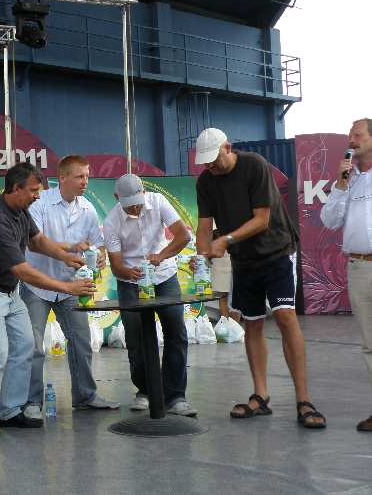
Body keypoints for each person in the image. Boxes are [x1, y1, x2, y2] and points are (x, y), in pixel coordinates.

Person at [194, 127, 326, 428]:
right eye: (205, 162)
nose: (211, 166)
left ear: (228, 148)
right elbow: (203, 227)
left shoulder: (254, 165)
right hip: (244, 260)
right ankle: (261, 396)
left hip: (276, 252)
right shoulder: (205, 181)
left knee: (285, 317)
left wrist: (224, 240)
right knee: (251, 323)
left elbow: (262, 220)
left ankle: (303, 400)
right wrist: (202, 255)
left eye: (214, 159)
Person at [0, 162, 95, 436]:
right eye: (33, 190)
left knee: (25, 346)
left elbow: (37, 241)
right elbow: (22, 270)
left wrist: (65, 257)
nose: (37, 195)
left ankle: (9, 411)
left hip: (9, 292)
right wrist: (68, 288)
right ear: (15, 188)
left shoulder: (20, 210)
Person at [21, 155, 118, 419]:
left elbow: (98, 244)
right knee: (34, 347)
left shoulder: (87, 208)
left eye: (87, 176)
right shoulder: (40, 203)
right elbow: (34, 243)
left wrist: (100, 255)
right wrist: (71, 249)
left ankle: (85, 396)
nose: (85, 182)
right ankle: (31, 403)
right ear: (62, 178)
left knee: (81, 342)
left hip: (71, 287)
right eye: (79, 176)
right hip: (38, 285)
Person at [103, 174, 197, 417]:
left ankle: (175, 396)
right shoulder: (112, 221)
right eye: (129, 206)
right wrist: (128, 272)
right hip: (130, 282)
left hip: (164, 276)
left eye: (138, 203)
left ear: (144, 192)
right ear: (117, 198)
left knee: (175, 332)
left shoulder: (158, 201)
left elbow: (183, 236)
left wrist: (161, 256)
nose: (135, 209)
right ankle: (144, 391)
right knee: (135, 339)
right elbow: (116, 265)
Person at [321, 118, 372, 431]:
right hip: (359, 268)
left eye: (358, 134)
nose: (351, 139)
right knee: (370, 343)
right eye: (350, 135)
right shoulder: (347, 181)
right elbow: (329, 221)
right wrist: (340, 185)